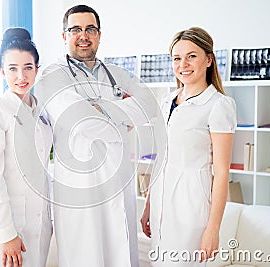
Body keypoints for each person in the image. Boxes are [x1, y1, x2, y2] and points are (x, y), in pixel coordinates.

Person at [35, 4, 157, 267]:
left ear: (99, 34)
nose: (84, 35)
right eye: (76, 29)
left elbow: (148, 103)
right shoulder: (51, 76)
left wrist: (100, 110)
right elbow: (81, 122)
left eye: (90, 29)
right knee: (86, 256)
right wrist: (124, 120)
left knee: (121, 254)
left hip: (119, 180)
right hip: (80, 187)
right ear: (64, 35)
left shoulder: (115, 73)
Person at [141, 27, 237, 266]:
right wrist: (148, 205)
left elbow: (222, 171)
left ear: (208, 59)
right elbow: (160, 158)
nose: (183, 64)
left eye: (191, 56)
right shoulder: (166, 101)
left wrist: (213, 229)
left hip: (191, 210)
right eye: (177, 58)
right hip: (160, 209)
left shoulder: (218, 105)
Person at [0, 27, 52, 267]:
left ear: (37, 70)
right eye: (13, 69)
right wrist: (7, 235)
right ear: (1, 72)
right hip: (7, 226)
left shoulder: (41, 112)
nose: (21, 76)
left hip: (37, 223)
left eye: (28, 67)